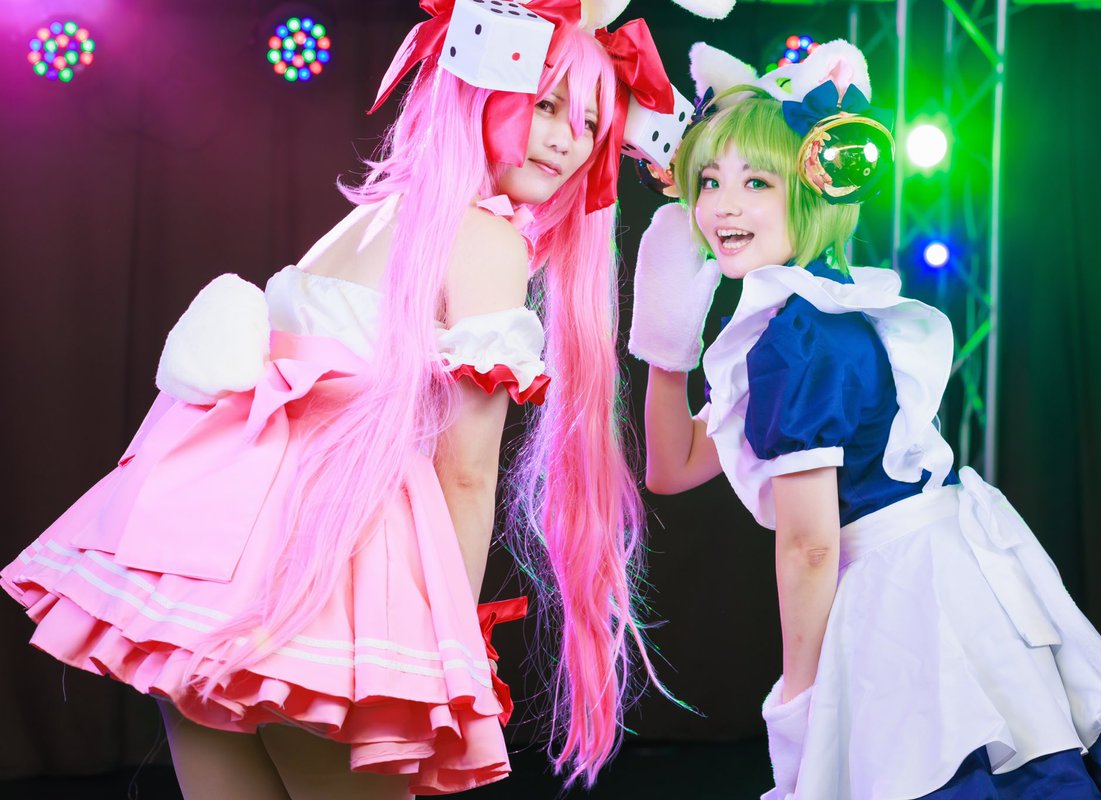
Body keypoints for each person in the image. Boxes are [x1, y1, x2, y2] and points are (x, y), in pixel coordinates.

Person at [0, 1, 707, 796]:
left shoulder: (367, 218)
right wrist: (445, 637)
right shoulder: (486, 238)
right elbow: (467, 471)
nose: (566, 139)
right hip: (337, 563)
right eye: (546, 105)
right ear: (482, 84)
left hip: (207, 557)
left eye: (589, 123)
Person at [630, 39, 1101, 799]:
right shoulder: (808, 314)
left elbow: (809, 546)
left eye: (756, 181)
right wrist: (666, 339)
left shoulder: (798, 338)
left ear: (814, 192)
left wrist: (800, 705)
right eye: (709, 180)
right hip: (925, 581)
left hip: (901, 596)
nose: (723, 205)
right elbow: (671, 468)